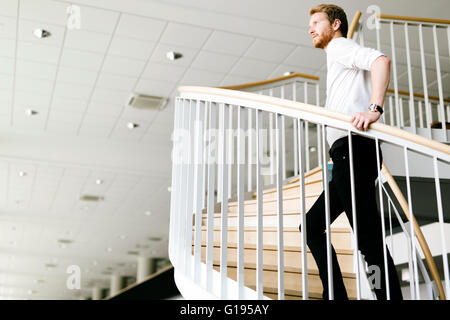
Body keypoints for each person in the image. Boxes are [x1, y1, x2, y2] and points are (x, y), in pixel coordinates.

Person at [300, 4, 403, 300]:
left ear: (335, 24)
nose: (311, 28)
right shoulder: (338, 57)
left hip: (354, 150)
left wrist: (374, 109)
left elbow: (381, 60)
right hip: (346, 155)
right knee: (310, 226)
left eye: (317, 22)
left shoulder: (340, 46)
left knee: (367, 236)